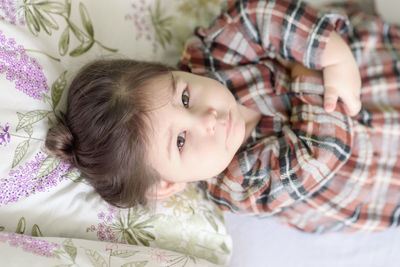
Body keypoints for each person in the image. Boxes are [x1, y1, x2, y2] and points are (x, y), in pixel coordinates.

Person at [45, 0, 400, 233]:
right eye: (181, 141)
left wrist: (330, 54)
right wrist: (307, 71)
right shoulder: (236, 185)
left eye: (184, 96)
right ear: (167, 185)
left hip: (377, 69)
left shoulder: (212, 55)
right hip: (381, 176)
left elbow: (257, 15)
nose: (207, 118)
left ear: (171, 69)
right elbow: (323, 151)